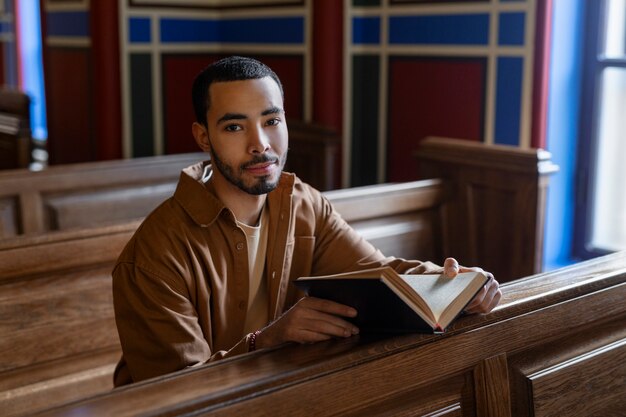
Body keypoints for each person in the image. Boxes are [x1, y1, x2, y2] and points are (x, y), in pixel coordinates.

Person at [112, 56, 501, 386]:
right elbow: (173, 391)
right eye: (234, 127)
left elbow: (379, 274)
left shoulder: (303, 203)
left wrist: (457, 285)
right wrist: (264, 341)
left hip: (285, 394)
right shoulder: (154, 254)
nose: (260, 144)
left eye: (271, 121)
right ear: (203, 137)